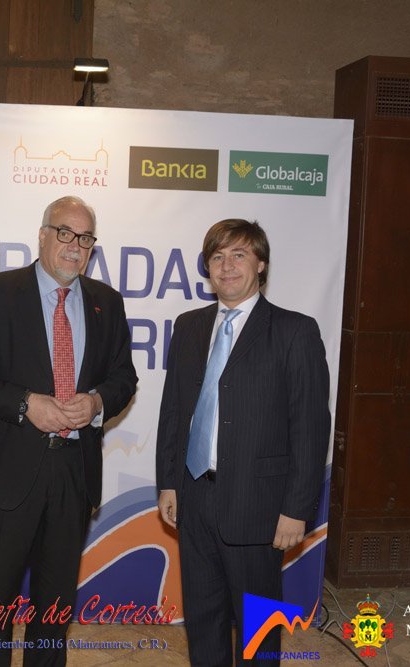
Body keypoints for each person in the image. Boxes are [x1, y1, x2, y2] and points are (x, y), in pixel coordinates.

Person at [0, 195, 138, 666]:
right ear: (42, 235)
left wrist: (96, 402)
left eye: (86, 238)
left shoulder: (107, 303)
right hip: (10, 471)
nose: (75, 246)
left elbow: (124, 378)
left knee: (55, 606)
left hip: (74, 472)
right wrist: (25, 403)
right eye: (65, 233)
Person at [156, 219, 330, 666]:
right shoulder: (189, 326)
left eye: (239, 255)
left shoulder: (295, 331)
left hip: (260, 508)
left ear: (261, 264)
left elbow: (310, 428)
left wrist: (297, 509)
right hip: (195, 497)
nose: (226, 266)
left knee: (258, 630)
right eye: (217, 257)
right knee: (203, 621)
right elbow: (174, 412)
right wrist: (169, 483)